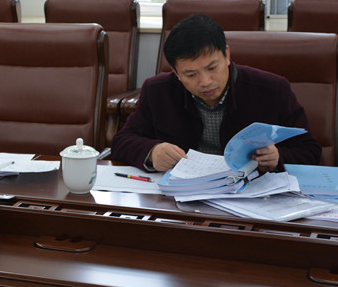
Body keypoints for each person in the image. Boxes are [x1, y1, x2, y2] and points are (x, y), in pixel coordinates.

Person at [111, 14, 321, 173]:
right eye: (191, 74)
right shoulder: (157, 90)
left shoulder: (272, 89)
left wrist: (278, 158)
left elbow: (310, 150)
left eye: (212, 68)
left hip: (251, 198)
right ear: (176, 73)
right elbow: (121, 141)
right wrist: (152, 151)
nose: (206, 82)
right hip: (184, 196)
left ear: (226, 55)